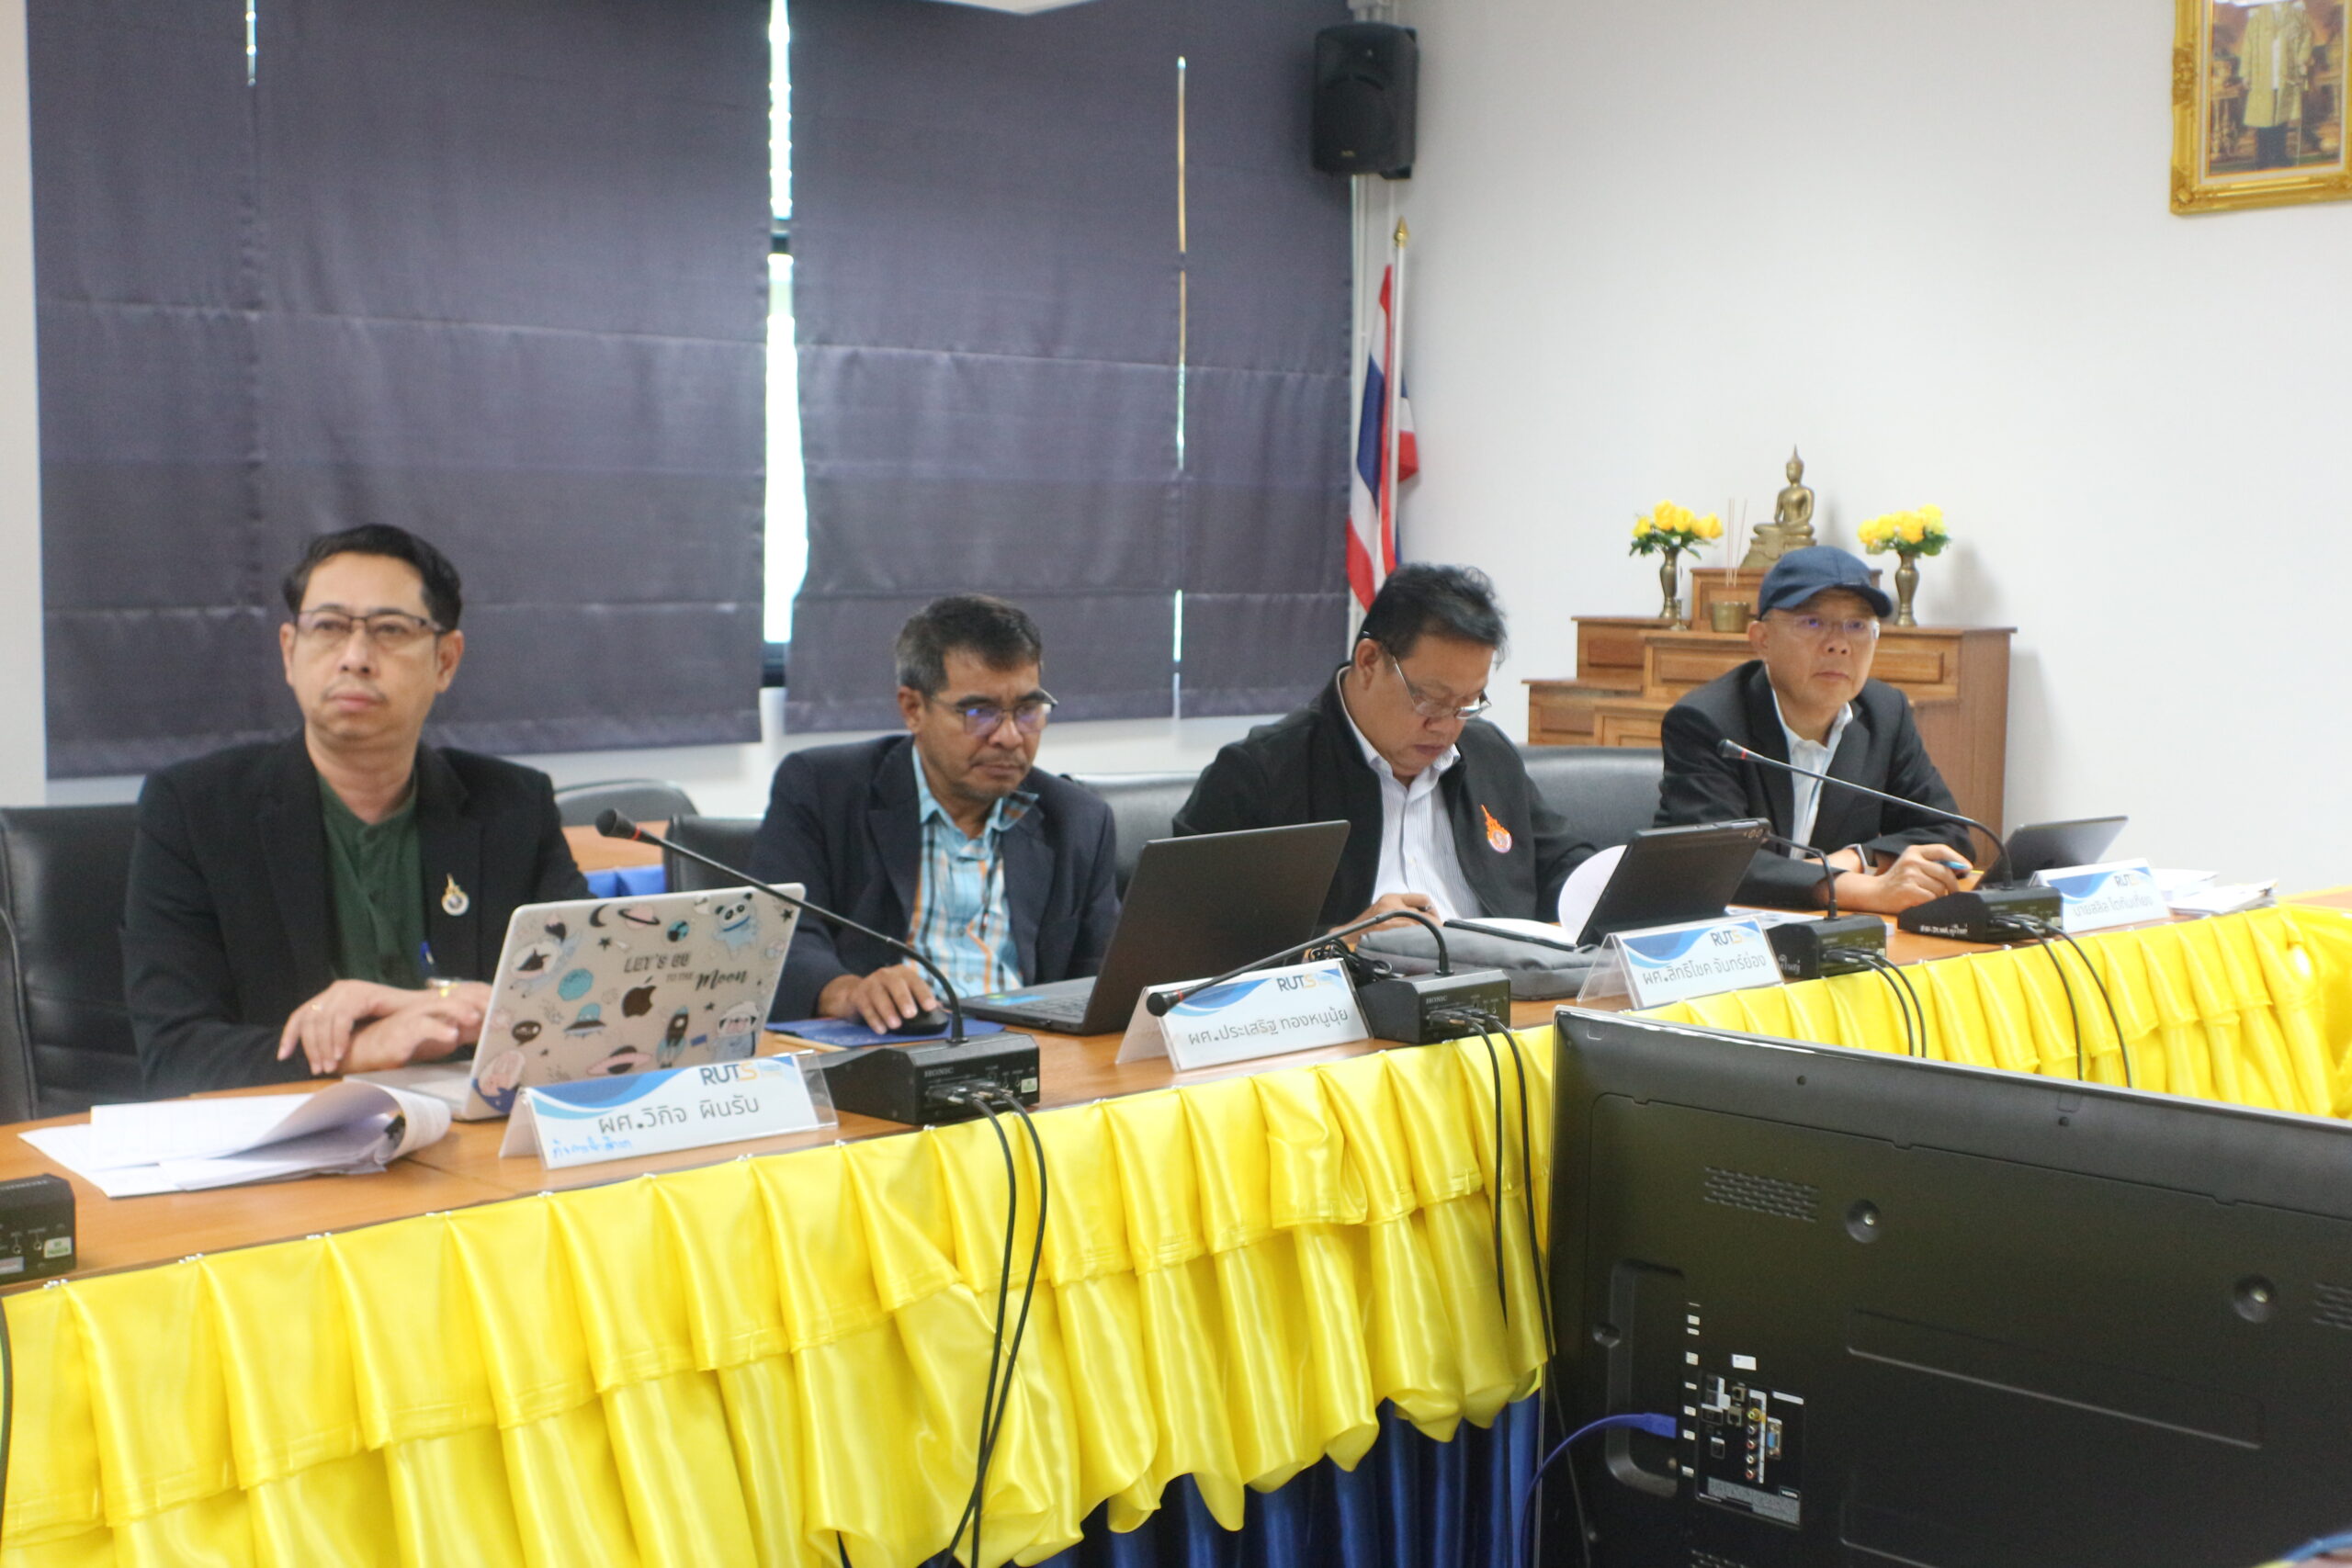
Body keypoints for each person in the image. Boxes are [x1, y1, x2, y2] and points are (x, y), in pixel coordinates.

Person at [123, 525, 588, 1096]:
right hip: (290, 1139)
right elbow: (176, 1056)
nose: (355, 658)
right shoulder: (195, 811)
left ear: (445, 660)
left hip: (472, 1135)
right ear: (290, 652)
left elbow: (586, 1007)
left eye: (391, 629)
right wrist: (365, 1049)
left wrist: (410, 1005)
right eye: (329, 627)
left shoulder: (514, 806)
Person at [749, 595, 1119, 1030]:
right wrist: (847, 991)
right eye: (979, 712)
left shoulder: (1078, 820)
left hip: (1030, 1049)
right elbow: (779, 936)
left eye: (1027, 711)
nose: (1009, 737)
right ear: (913, 709)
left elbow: (1105, 980)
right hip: (889, 1044)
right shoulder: (823, 789)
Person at [1173, 563, 1594, 931]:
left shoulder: (1487, 754)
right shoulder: (1260, 775)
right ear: (1369, 661)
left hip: (1505, 990)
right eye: (1430, 699)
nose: (1446, 725)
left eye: (1467, 703)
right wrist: (1343, 941)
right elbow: (1197, 937)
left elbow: (1566, 866)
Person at [1655, 545, 1970, 913]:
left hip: (1828, 932)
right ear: (1762, 639)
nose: (1839, 645)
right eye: (1813, 623)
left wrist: (1858, 858)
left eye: (1857, 626)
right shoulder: (1708, 722)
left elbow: (1948, 834)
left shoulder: (1884, 713)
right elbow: (1715, 866)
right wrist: (1865, 891)